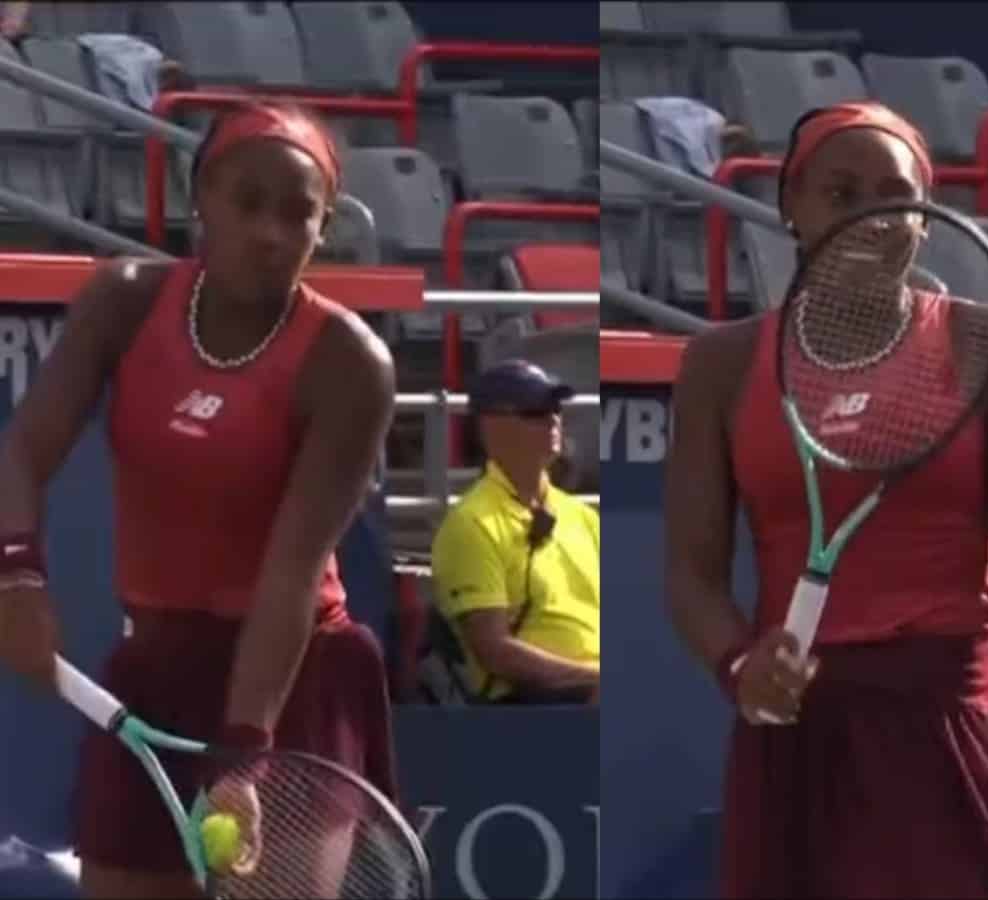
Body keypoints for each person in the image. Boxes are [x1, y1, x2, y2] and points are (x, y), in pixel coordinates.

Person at [664, 101, 988, 899]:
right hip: (792, 734)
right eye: (842, 193)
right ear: (791, 207)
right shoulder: (720, 365)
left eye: (895, 196)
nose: (872, 217)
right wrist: (738, 663)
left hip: (944, 731)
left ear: (927, 217)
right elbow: (693, 575)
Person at [0, 100, 397, 899]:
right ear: (200, 200)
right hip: (154, 670)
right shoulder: (123, 301)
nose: (272, 234)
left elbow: (292, 570)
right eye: (247, 203)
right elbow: (21, 453)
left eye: (299, 214)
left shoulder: (351, 362)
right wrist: (17, 574)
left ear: (324, 228)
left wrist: (248, 753)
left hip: (294, 676)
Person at [430, 359, 600, 705]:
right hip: (528, 707)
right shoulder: (471, 522)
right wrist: (597, 680)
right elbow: (493, 651)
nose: (552, 419)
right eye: (535, 410)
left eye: (555, 408)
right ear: (491, 426)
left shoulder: (582, 516)